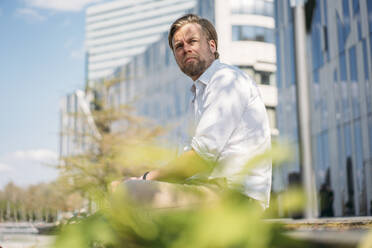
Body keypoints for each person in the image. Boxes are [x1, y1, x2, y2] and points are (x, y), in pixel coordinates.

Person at [116, 14, 272, 209]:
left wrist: (144, 178)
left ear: (212, 46)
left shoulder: (226, 80)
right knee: (120, 194)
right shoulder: (198, 94)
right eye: (178, 46)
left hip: (235, 198)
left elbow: (200, 159)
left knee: (130, 192)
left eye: (193, 41)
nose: (186, 49)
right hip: (208, 191)